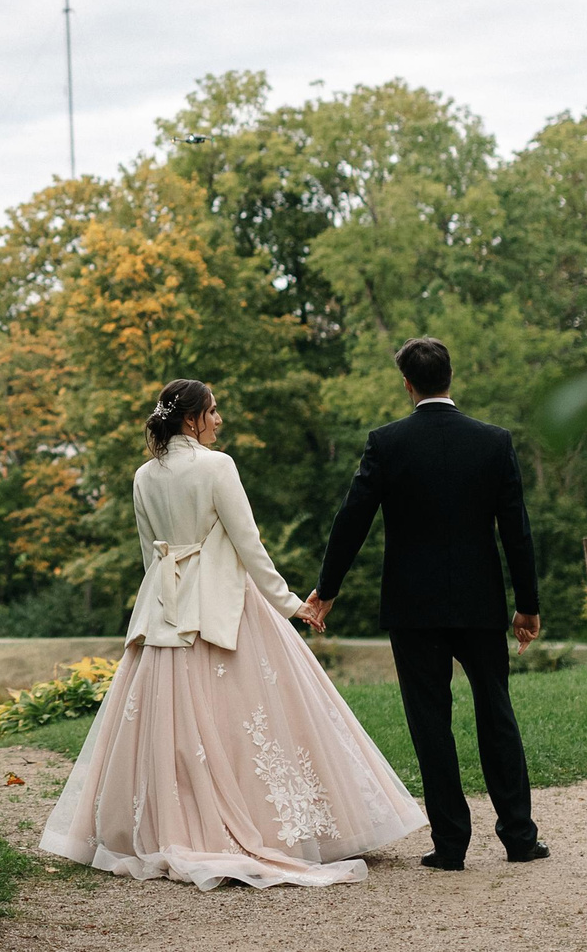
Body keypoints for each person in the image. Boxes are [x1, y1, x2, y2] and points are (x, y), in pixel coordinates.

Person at [38, 380, 426, 889]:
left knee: (168, 725)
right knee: (249, 718)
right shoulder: (218, 467)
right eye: (214, 411)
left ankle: (159, 826)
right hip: (223, 608)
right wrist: (291, 604)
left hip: (165, 612)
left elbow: (150, 555)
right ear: (192, 418)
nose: (220, 420)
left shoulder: (143, 476)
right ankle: (257, 827)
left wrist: (164, 600)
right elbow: (249, 546)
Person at [303, 335, 548, 871]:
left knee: (430, 722)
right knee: (496, 712)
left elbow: (353, 519)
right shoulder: (493, 441)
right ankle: (519, 837)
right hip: (481, 605)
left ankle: (451, 845)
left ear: (407, 385)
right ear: (450, 377)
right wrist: (527, 605)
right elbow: (517, 531)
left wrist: (328, 587)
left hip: (413, 609)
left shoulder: (386, 443)